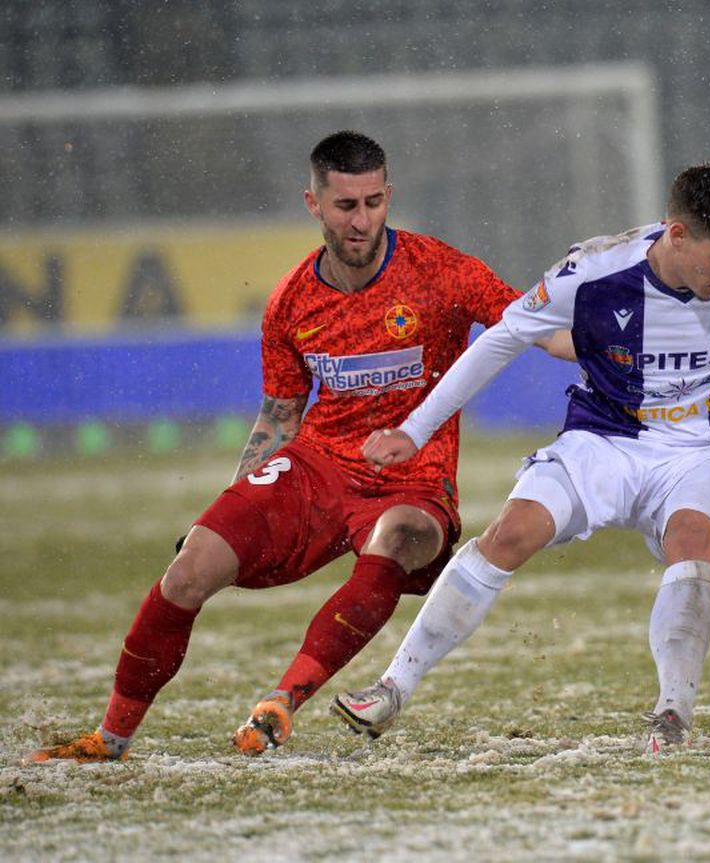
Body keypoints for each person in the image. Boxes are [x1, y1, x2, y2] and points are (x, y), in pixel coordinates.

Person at [26, 130, 572, 763]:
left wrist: (619, 346)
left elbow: (537, 329)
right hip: (316, 468)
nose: (361, 220)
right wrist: (235, 503)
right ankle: (110, 738)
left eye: (373, 203)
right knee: (190, 568)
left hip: (414, 480)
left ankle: (281, 701)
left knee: (397, 536)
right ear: (314, 204)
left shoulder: (442, 270)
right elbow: (280, 415)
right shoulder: (291, 302)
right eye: (346, 206)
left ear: (388, 196)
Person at [330, 162, 710, 753]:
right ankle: (392, 688)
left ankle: (672, 714)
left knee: (694, 541)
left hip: (703, 449)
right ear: (676, 234)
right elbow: (502, 338)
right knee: (510, 532)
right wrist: (415, 430)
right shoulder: (592, 271)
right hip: (602, 439)